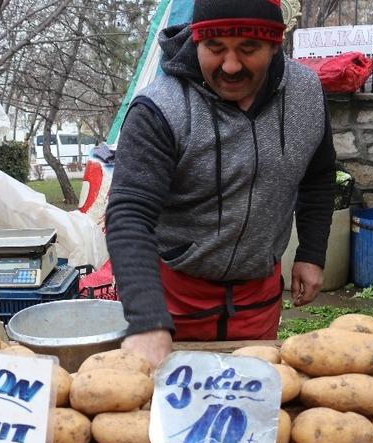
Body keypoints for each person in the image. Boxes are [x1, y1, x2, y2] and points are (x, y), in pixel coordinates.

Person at [105, 0, 337, 367]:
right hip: (173, 298)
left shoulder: (306, 94)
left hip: (257, 296)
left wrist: (311, 253)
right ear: (196, 41)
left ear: (274, 44)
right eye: (214, 48)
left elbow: (318, 175)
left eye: (248, 48)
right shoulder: (159, 108)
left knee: (252, 391)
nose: (230, 65)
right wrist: (147, 319)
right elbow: (129, 214)